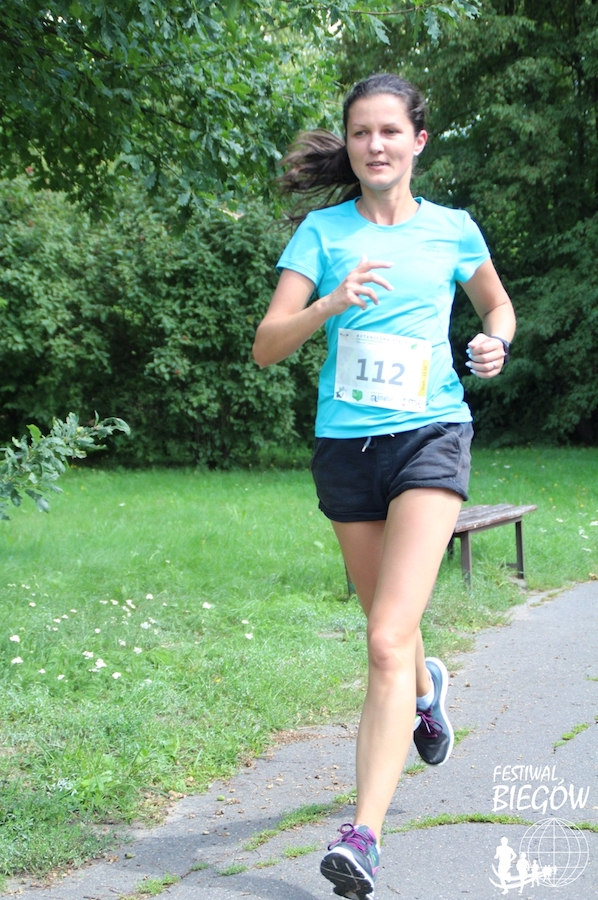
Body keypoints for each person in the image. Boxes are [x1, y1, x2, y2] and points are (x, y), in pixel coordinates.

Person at [252, 73, 515, 900]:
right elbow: (266, 345)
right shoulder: (322, 233)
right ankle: (428, 691)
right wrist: (329, 304)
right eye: (361, 132)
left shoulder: (452, 229)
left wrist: (494, 344)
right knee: (392, 638)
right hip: (347, 449)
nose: (375, 145)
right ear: (351, 142)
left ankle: (363, 834)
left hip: (431, 437)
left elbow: (497, 308)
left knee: (383, 638)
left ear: (418, 142)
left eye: (390, 131)